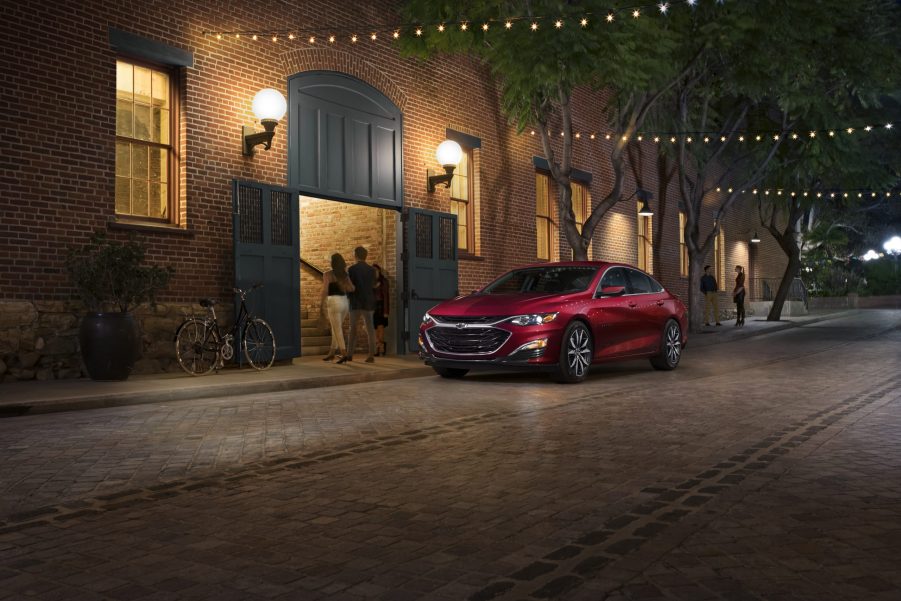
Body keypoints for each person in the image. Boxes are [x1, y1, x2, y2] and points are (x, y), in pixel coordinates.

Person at [320, 253, 354, 363]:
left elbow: (325, 290)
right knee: (336, 328)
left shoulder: (327, 274)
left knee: (337, 329)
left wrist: (322, 303)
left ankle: (344, 354)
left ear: (332, 262)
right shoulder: (345, 275)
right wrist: (343, 285)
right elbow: (352, 288)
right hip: (345, 302)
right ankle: (331, 353)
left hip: (333, 302)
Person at [346, 246, 376, 363]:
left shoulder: (352, 269)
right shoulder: (372, 270)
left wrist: (349, 297)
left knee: (353, 329)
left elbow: (350, 286)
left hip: (355, 302)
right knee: (370, 330)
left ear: (356, 255)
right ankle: (371, 355)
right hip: (368, 302)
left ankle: (349, 354)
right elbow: (373, 285)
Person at [372, 263, 389, 356]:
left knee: (380, 328)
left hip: (381, 306)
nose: (374, 272)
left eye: (376, 270)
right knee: (374, 328)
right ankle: (379, 346)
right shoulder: (370, 282)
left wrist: (386, 311)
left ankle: (380, 348)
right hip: (372, 307)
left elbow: (386, 297)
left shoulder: (384, 281)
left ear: (379, 271)